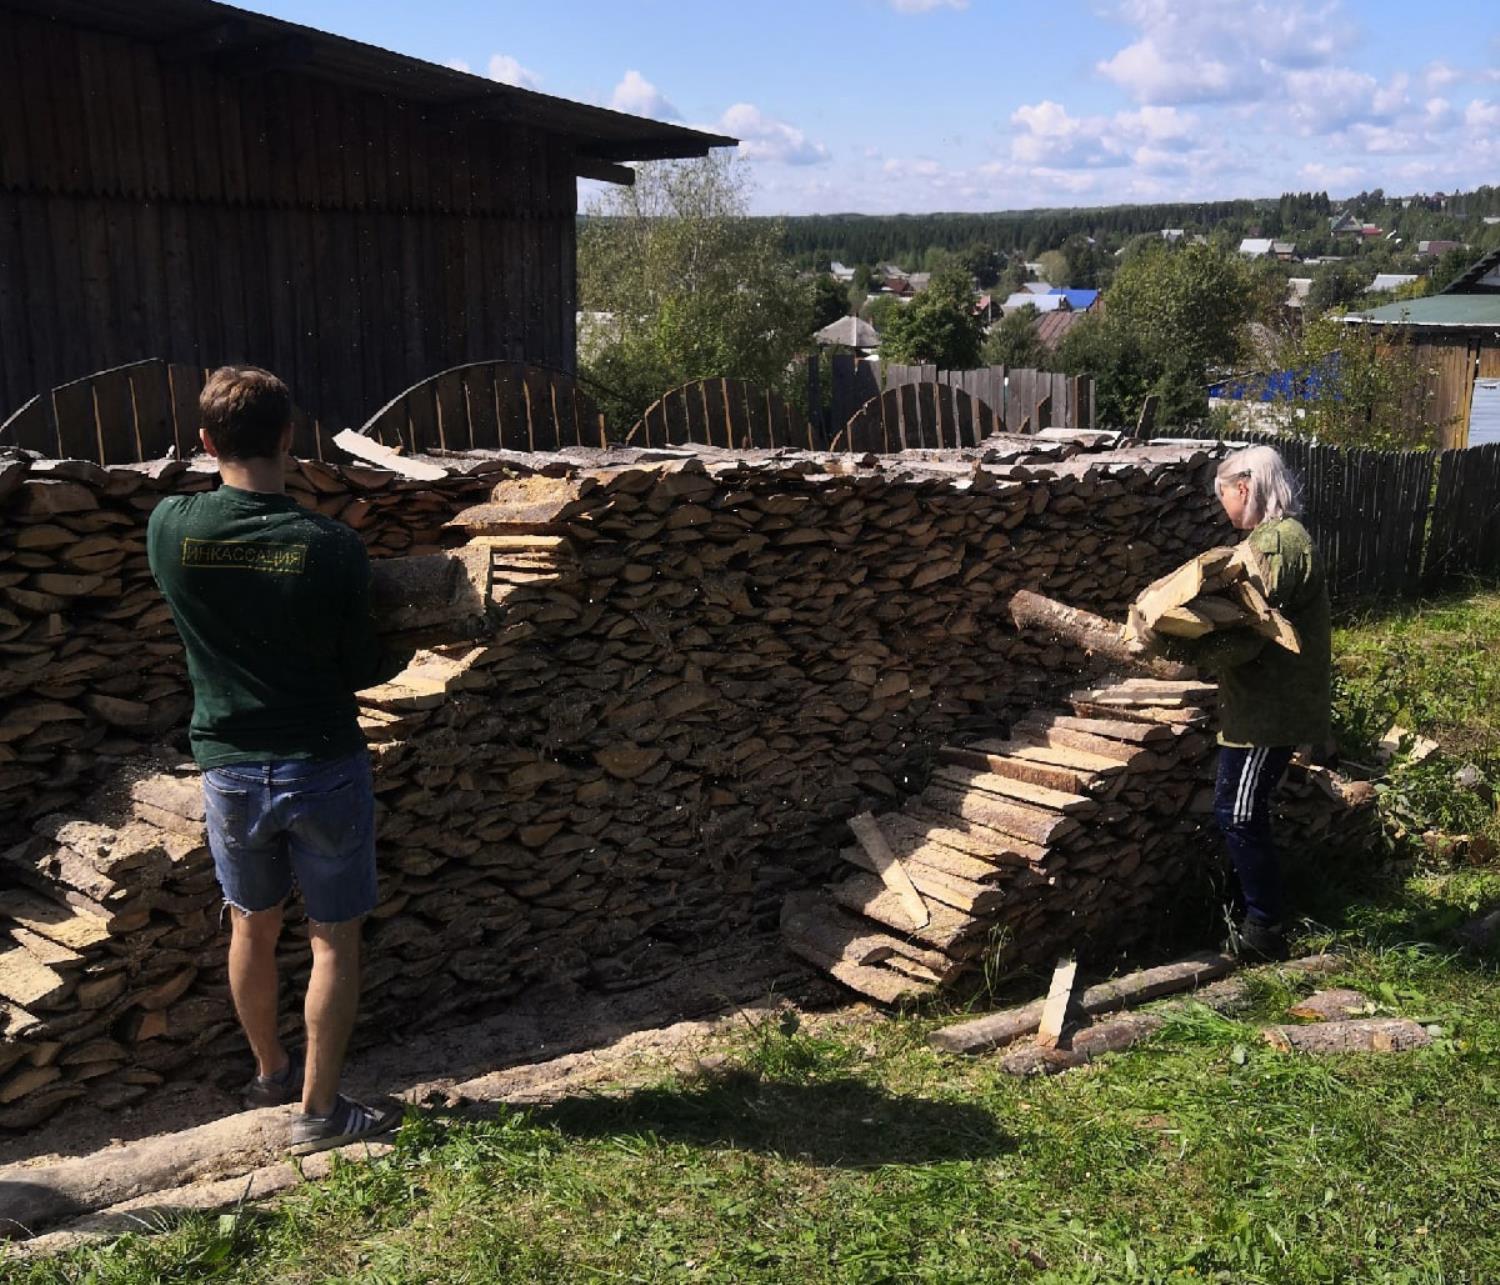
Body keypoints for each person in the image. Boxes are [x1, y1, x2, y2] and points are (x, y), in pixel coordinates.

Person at [147, 367, 412, 1154]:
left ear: (204, 442)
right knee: (333, 938)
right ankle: (318, 1111)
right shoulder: (330, 545)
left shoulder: (170, 528)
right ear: (290, 436)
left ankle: (268, 1070)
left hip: (229, 766)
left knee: (251, 926)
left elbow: (225, 538)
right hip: (322, 761)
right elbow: (364, 665)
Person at [1149, 445, 1331, 961]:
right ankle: (1248, 912)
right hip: (1261, 705)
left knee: (1240, 813)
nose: (1224, 505)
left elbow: (1247, 633)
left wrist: (1177, 643)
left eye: (1224, 493)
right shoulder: (1274, 540)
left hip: (1268, 711)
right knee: (1238, 812)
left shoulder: (1275, 545)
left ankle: (1264, 931)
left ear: (1245, 487)